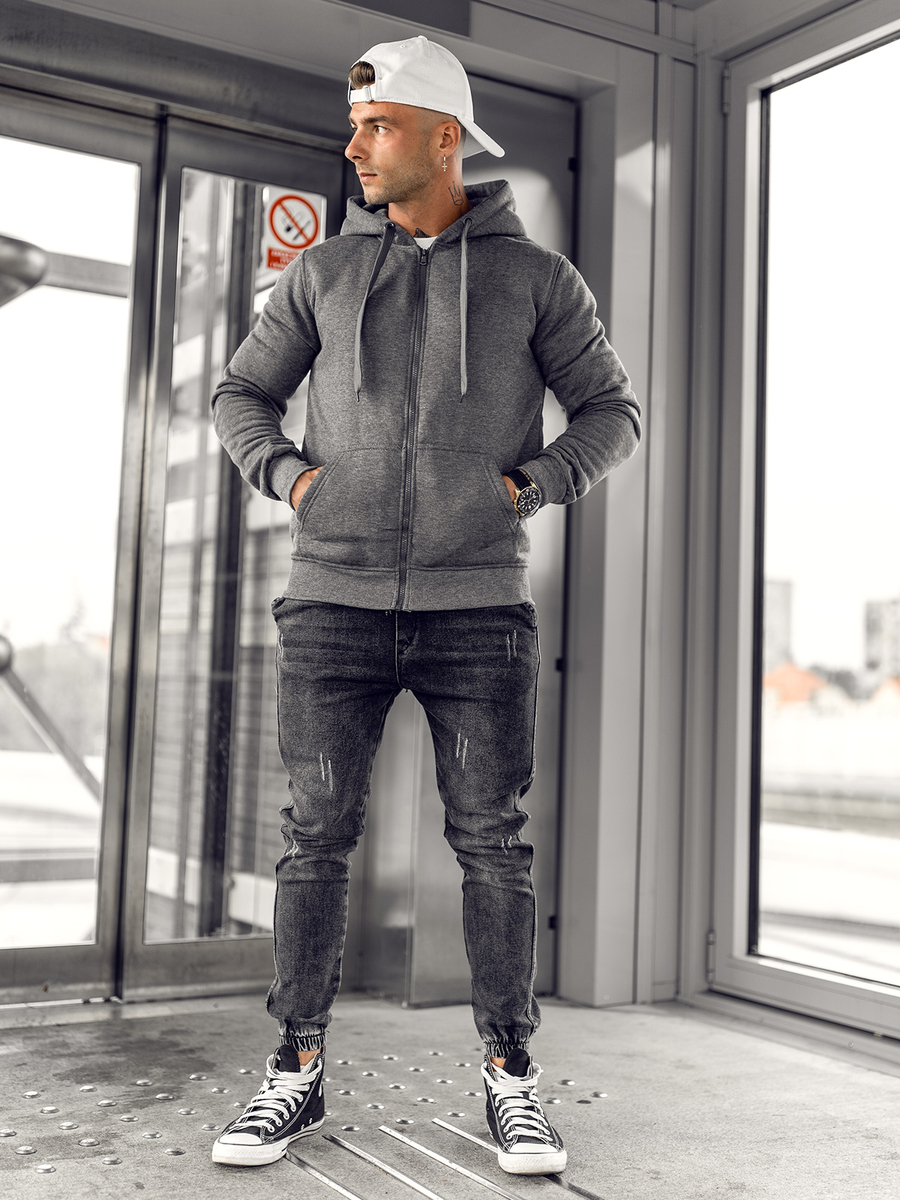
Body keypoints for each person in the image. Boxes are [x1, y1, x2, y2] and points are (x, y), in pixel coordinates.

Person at [209, 33, 640, 1176]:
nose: (355, 148)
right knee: (314, 839)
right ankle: (294, 1070)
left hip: (478, 606)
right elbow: (241, 392)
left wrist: (528, 487)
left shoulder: (537, 280)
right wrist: (292, 478)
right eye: (354, 127)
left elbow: (613, 412)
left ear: (445, 138)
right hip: (332, 599)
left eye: (378, 127)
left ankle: (512, 1079)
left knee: (492, 844)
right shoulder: (322, 274)